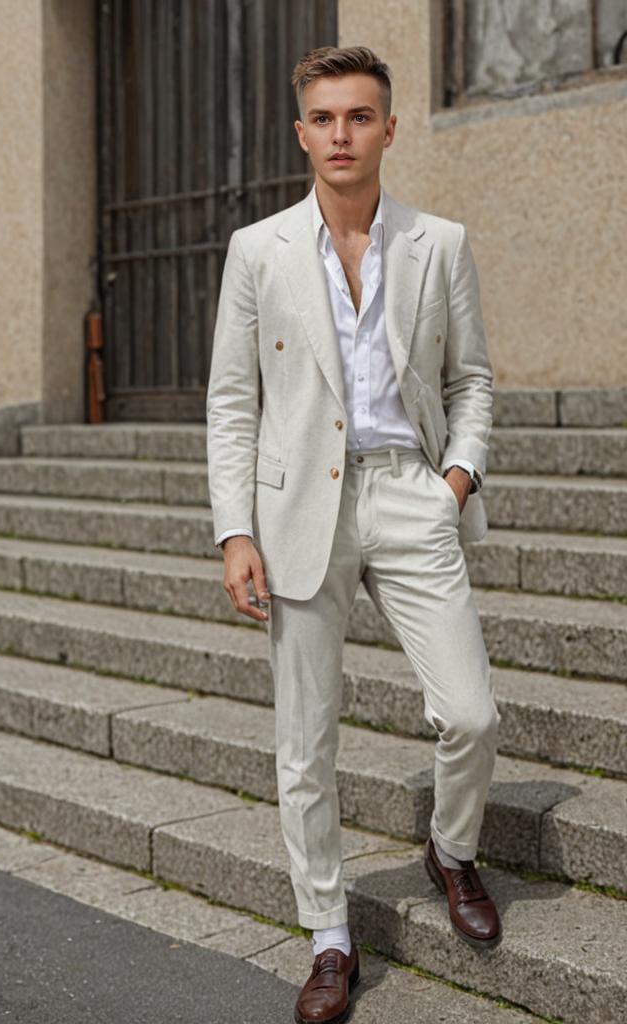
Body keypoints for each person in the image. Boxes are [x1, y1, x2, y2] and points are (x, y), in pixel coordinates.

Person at [206, 44, 501, 1024]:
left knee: (470, 714)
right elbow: (231, 403)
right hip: (298, 513)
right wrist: (233, 529)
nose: (341, 134)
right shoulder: (258, 251)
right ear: (304, 132)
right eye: (324, 118)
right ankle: (328, 934)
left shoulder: (440, 243)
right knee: (305, 742)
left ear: (387, 126)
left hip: (409, 495)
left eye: (359, 116)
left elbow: (472, 380)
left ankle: (450, 850)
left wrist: (455, 477)